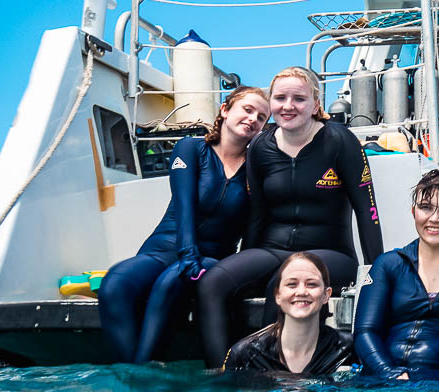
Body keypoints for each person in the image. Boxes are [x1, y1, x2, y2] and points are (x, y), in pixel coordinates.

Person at [197, 67, 384, 365]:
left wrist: (377, 271)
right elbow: (257, 214)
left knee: (282, 283)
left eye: (299, 98)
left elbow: (367, 210)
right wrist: (246, 267)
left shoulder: (339, 141)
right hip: (273, 248)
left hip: (331, 253)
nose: (288, 106)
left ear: (315, 104)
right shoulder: (261, 146)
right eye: (280, 98)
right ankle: (223, 377)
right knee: (213, 282)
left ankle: (278, 378)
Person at [99, 86, 269, 363]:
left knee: (171, 281)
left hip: (215, 257)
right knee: (114, 283)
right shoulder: (191, 148)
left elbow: (255, 226)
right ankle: (132, 375)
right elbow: (184, 205)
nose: (253, 119)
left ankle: (144, 371)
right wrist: (188, 254)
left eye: (261, 117)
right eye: (247, 110)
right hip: (165, 248)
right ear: (225, 110)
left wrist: (245, 277)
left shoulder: (255, 170)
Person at [354, 168, 439, 381]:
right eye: (425, 208)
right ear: (413, 211)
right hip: (385, 385)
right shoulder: (389, 264)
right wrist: (390, 374)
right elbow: (365, 332)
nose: (434, 218)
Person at [222, 252, 354, 375]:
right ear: (277, 295)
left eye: (311, 284)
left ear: (326, 295)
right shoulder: (246, 355)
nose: (301, 291)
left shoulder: (348, 350)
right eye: (292, 284)